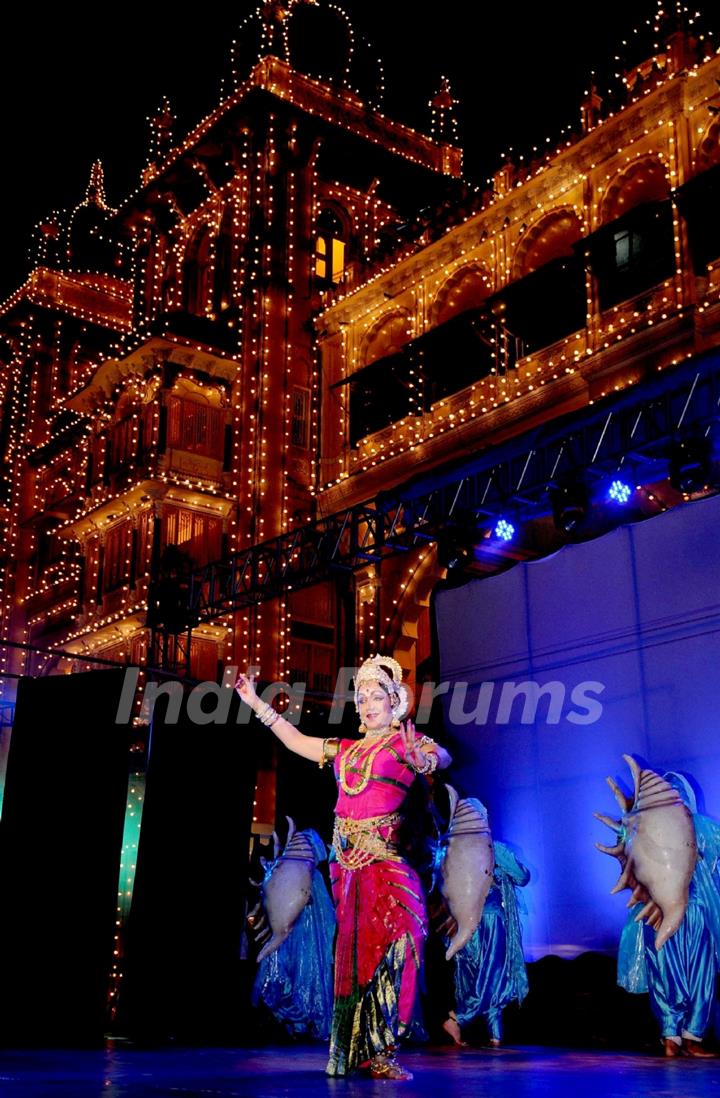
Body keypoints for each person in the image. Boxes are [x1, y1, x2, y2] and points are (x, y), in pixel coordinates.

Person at [235, 655, 451, 1080]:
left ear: (395, 703)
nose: (369, 704)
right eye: (362, 697)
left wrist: (424, 760)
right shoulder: (345, 750)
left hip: (389, 865)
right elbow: (296, 741)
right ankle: (364, 1052)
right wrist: (255, 703)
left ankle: (386, 1042)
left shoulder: (404, 744)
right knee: (359, 962)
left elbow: (440, 756)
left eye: (377, 697)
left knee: (407, 940)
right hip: (351, 871)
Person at [617, 771, 720, 1058]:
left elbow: (626, 871)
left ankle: (671, 1036)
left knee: (665, 970)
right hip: (689, 908)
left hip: (658, 911)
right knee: (696, 971)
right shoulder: (704, 827)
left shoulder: (638, 827)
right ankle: (689, 1037)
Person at [440, 838, 530, 1048]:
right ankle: (457, 1017)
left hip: (463, 923)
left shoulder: (453, 848)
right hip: (489, 919)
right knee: (492, 974)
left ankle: (495, 1036)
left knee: (484, 977)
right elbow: (522, 876)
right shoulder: (490, 845)